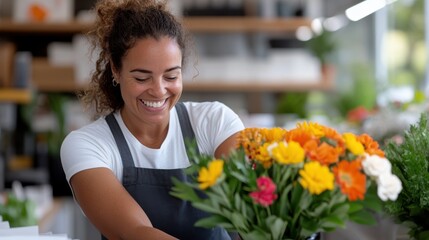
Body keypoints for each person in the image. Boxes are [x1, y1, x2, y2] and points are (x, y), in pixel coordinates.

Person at [60, 0, 245, 239]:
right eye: (142, 78)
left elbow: (251, 202)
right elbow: (135, 232)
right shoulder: (88, 144)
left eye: (171, 76)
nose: (158, 91)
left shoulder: (214, 122)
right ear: (116, 70)